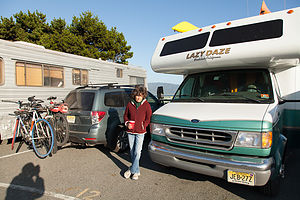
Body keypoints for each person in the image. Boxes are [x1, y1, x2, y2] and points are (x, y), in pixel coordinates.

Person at [123, 86, 152, 180]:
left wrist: (144, 125)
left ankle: (131, 170)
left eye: (140, 95)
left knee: (137, 152)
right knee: (132, 151)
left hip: (140, 132)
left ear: (143, 96)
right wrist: (127, 123)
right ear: (134, 96)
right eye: (137, 96)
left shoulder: (146, 105)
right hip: (130, 131)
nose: (138, 97)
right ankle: (136, 171)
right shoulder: (129, 104)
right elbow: (125, 116)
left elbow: (148, 118)